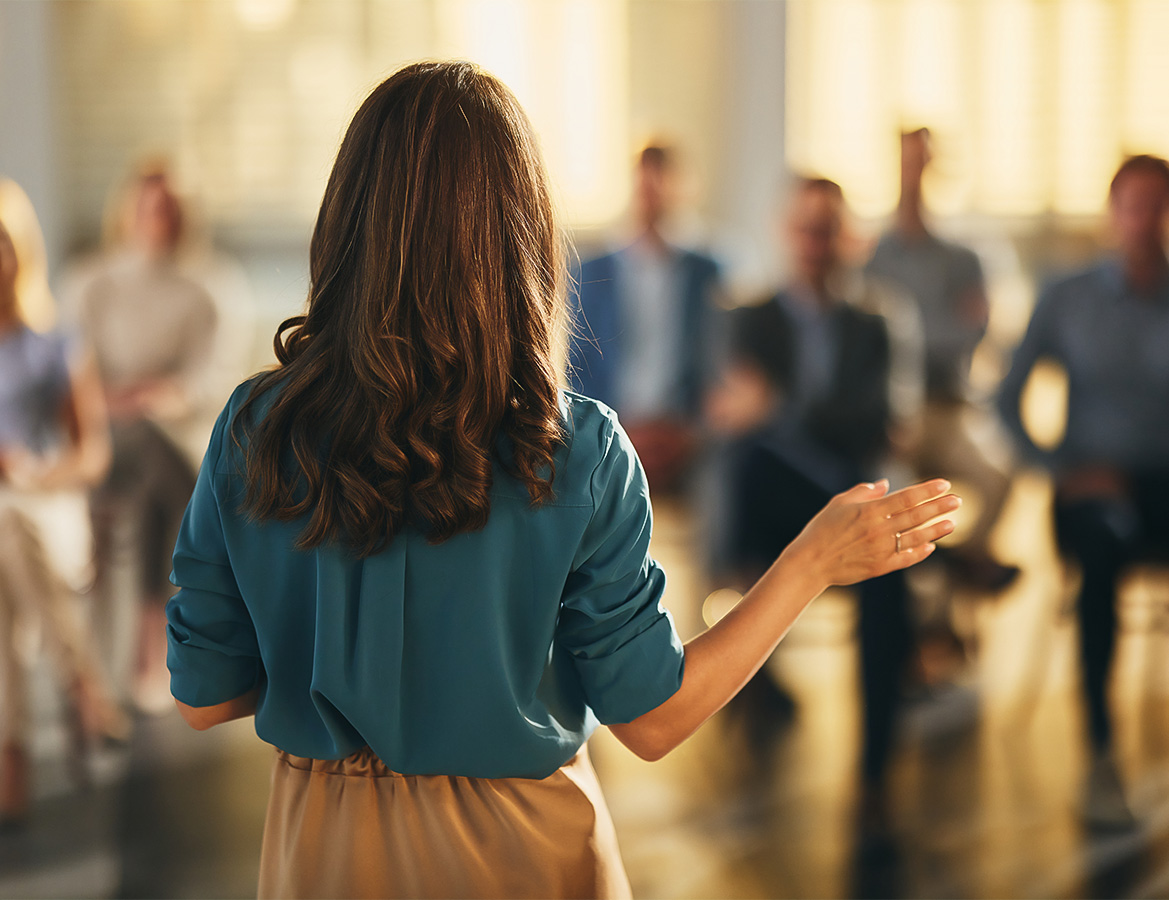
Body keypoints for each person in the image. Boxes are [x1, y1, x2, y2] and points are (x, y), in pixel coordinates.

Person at [165, 62, 958, 899]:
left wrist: (333, 658)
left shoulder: (255, 428)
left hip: (319, 850)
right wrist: (810, 561)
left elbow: (205, 697)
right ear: (521, 230)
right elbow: (650, 720)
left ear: (348, 218)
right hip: (521, 847)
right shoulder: (576, 448)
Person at [710, 176, 925, 829]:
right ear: (786, 234)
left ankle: (874, 770)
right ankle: (754, 670)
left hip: (851, 492)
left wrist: (779, 408)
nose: (814, 243)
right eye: (805, 228)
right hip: (778, 499)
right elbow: (733, 420)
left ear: (847, 239)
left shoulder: (878, 321)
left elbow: (883, 420)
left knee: (883, 559)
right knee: (752, 461)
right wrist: (811, 420)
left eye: (826, 230)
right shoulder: (749, 317)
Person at [998, 154, 1169, 831]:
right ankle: (1101, 751)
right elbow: (1006, 396)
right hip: (1089, 489)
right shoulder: (1066, 297)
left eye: (1159, 207)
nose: (1146, 221)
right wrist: (1057, 466)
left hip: (1163, 485)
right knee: (1100, 550)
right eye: (1134, 206)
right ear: (1112, 214)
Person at [63, 164, 218, 710]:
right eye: (148, 207)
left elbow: (203, 382)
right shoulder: (91, 283)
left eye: (168, 209)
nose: (157, 218)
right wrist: (116, 401)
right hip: (101, 433)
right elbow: (71, 374)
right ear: (127, 212)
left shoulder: (205, 289)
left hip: (167, 431)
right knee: (175, 473)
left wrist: (157, 397)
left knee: (162, 466)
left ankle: (144, 642)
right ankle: (156, 639)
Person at [0, 186, 126, 826]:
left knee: (11, 523)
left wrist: (36, 473)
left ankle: (10, 763)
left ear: (22, 252)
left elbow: (92, 453)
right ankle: (84, 685)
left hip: (47, 507)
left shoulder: (56, 343)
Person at [866, 128, 1018, 591]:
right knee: (895, 499)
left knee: (1000, 476)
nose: (915, 175)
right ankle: (935, 592)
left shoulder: (965, 258)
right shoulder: (873, 258)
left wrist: (910, 334)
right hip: (894, 416)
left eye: (923, 164)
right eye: (908, 163)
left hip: (951, 410)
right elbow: (869, 343)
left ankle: (960, 564)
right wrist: (938, 327)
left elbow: (973, 334)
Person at [570, 143, 722, 493]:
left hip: (683, 430)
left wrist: (691, 429)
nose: (653, 191)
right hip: (612, 423)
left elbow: (718, 364)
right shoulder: (591, 274)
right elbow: (577, 363)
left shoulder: (710, 272)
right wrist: (614, 427)